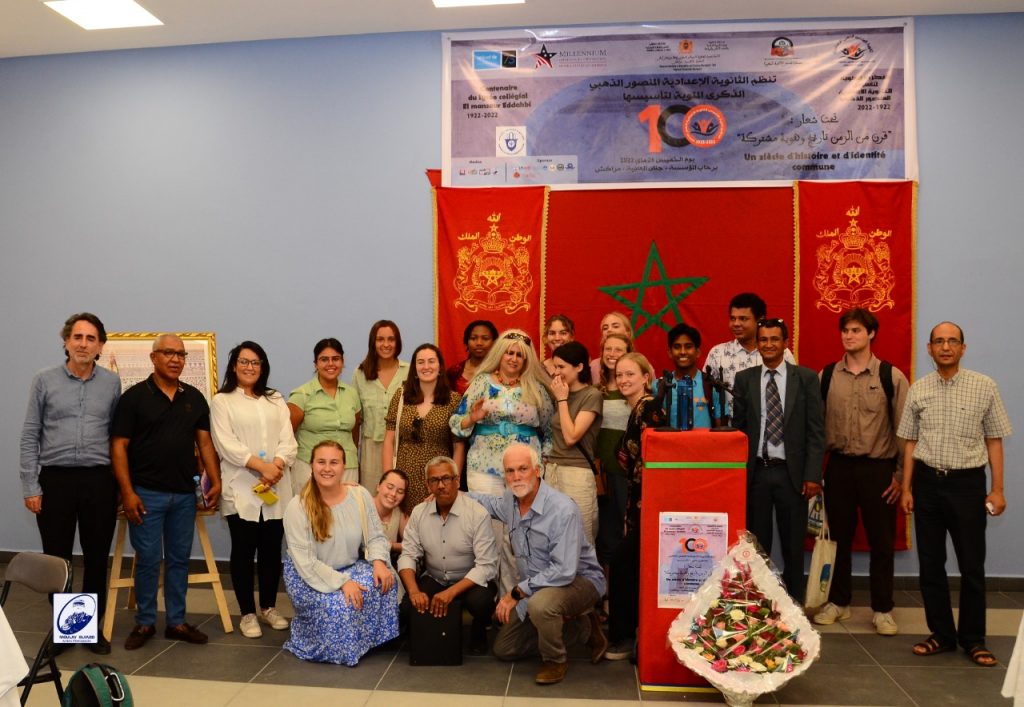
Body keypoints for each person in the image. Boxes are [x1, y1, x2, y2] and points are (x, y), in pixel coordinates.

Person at [898, 321, 1012, 667]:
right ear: (929, 349)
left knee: (972, 565)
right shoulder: (919, 389)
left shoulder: (984, 386)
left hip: (967, 486)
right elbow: (910, 442)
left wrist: (998, 490)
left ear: (963, 348)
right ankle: (942, 635)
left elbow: (994, 440)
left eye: (952, 341)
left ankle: (974, 639)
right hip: (927, 485)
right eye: (939, 341)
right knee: (931, 564)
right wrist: (906, 488)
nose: (945, 347)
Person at [111, 334, 222, 650]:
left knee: (179, 560)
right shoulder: (133, 398)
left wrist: (215, 479)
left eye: (181, 354)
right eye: (168, 353)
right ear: (153, 357)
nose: (175, 359)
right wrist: (127, 492)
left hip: (184, 496)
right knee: (148, 560)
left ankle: (176, 622)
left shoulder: (194, 397)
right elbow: (118, 447)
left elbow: (204, 443)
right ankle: (145, 622)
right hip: (146, 494)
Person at [19, 312, 121, 655]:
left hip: (98, 481)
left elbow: (116, 436)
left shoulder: (112, 384)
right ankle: (65, 631)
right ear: (66, 341)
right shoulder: (44, 380)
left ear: (100, 346)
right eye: (77, 337)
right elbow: (30, 435)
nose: (83, 344)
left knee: (96, 558)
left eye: (91, 339)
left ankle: (88, 630)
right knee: (57, 560)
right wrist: (31, 486)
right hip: (55, 480)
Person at [470, 444, 607, 684]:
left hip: (579, 581)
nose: (516, 476)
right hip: (538, 585)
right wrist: (453, 495)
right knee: (504, 649)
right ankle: (583, 629)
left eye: (523, 469)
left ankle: (555, 660)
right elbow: (488, 503)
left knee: (541, 606)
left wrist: (517, 592)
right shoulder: (510, 501)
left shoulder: (562, 509)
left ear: (537, 470)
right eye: (510, 471)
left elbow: (564, 571)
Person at [812, 309, 908, 636]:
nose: (849, 336)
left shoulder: (891, 377)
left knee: (882, 540)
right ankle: (838, 601)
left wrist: (900, 475)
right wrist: (814, 472)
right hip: (839, 467)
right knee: (837, 539)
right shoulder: (827, 376)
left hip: (878, 469)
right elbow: (816, 429)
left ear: (871, 334)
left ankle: (883, 609)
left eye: (856, 330)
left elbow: (905, 430)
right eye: (845, 331)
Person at [450, 329, 554, 594]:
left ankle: (515, 596)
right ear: (500, 354)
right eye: (509, 352)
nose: (514, 358)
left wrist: (542, 463)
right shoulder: (481, 383)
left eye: (520, 354)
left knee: (519, 533)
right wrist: (473, 418)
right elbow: (456, 424)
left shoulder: (536, 388)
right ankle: (489, 597)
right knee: (489, 532)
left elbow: (550, 430)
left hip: (523, 471)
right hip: (484, 468)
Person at [732, 318, 824, 603]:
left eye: (774, 339)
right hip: (757, 473)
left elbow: (816, 431)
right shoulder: (744, 379)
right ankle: (758, 604)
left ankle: (794, 605)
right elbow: (739, 430)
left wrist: (812, 475)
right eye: (763, 339)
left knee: (793, 545)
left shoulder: (805, 378)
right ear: (757, 343)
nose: (769, 344)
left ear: (785, 343)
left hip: (792, 474)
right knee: (757, 547)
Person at [210, 341, 298, 639]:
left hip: (276, 487)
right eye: (244, 361)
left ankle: (269, 607)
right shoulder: (222, 401)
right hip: (241, 488)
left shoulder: (275, 399)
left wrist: (276, 465)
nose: (250, 367)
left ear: (263, 367)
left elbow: (288, 440)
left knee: (272, 550)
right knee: (244, 551)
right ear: (234, 365)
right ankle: (247, 613)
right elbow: (226, 444)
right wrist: (262, 467)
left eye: (256, 362)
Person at [282, 440, 398, 666]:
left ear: (344, 466)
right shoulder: (297, 507)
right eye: (321, 462)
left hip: (350, 566)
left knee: (385, 579)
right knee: (341, 606)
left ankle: (363, 639)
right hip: (309, 576)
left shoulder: (360, 495)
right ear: (311, 465)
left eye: (334, 462)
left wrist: (379, 562)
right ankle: (317, 639)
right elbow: (306, 563)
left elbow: (376, 536)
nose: (327, 468)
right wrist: (343, 582)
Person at [398, 456, 498, 655]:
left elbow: (486, 566)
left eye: (446, 478)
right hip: (435, 577)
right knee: (408, 608)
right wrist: (414, 591)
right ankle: (428, 633)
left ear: (457, 480)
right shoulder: (419, 513)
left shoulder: (477, 513)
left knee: (481, 602)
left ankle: (479, 631)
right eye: (434, 480)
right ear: (428, 485)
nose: (441, 485)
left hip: (469, 580)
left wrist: (451, 593)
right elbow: (408, 554)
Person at [606, 352, 667, 661]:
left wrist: (646, 504)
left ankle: (625, 636)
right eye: (619, 375)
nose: (623, 379)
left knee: (623, 564)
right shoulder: (637, 409)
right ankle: (631, 634)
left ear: (646, 377)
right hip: (638, 500)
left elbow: (654, 460)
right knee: (630, 566)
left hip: (651, 502)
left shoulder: (649, 407)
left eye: (630, 374)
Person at [383, 343, 464, 510]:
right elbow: (389, 440)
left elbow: (459, 446)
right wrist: (389, 479)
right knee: (406, 523)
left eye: (431, 361)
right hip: (404, 478)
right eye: (421, 362)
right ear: (414, 368)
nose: (426, 366)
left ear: (440, 367)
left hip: (439, 478)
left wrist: (453, 481)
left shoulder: (453, 400)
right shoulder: (401, 396)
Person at [547, 341, 602, 544]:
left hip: (577, 472)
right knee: (555, 536)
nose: (556, 372)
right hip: (553, 469)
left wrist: (562, 400)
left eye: (561, 367)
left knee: (581, 538)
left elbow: (571, 436)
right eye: (555, 367)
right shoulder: (560, 393)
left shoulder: (592, 395)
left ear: (579, 367)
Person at [288, 338, 361, 491]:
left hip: (347, 467)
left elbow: (354, 433)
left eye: (335, 359)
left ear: (342, 362)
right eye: (324, 359)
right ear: (316, 364)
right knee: (310, 507)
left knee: (346, 506)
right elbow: (287, 436)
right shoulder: (301, 395)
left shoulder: (352, 394)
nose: (330, 364)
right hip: (309, 468)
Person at [702, 293, 795, 413]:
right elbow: (706, 394)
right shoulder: (717, 353)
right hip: (729, 424)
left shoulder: (781, 352)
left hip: (770, 423)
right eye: (733, 318)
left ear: (760, 320)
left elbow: (792, 392)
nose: (736, 324)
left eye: (743, 319)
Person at [353, 320, 409, 492]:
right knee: (372, 497)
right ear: (373, 342)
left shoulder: (409, 371)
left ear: (397, 342)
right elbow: (356, 419)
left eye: (391, 339)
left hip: (403, 448)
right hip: (371, 450)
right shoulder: (360, 373)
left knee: (401, 496)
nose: (386, 344)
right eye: (380, 339)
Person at [594, 333, 633, 567]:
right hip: (601, 471)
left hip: (624, 471)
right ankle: (605, 586)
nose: (612, 354)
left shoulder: (632, 389)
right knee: (603, 534)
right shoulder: (596, 389)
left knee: (624, 531)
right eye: (608, 349)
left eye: (619, 349)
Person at [651, 323, 721, 429]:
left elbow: (721, 429)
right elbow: (651, 425)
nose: (683, 352)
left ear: (698, 352)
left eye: (688, 347)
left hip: (704, 440)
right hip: (669, 440)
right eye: (677, 347)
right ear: (670, 352)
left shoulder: (711, 385)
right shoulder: (658, 386)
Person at [446, 320, 498, 396]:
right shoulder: (454, 372)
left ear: (494, 342)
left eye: (485, 339)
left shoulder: (500, 370)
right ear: (466, 342)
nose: (479, 343)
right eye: (473, 338)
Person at [372, 469, 409, 562]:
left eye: (400, 492)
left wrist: (392, 546)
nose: (393, 494)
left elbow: (412, 545)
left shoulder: (400, 513)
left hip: (388, 565)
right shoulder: (363, 505)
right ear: (378, 486)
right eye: (389, 487)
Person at [589, 312, 633, 382]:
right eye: (605, 328)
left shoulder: (642, 366)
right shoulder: (594, 366)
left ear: (628, 333)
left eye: (615, 326)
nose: (609, 330)